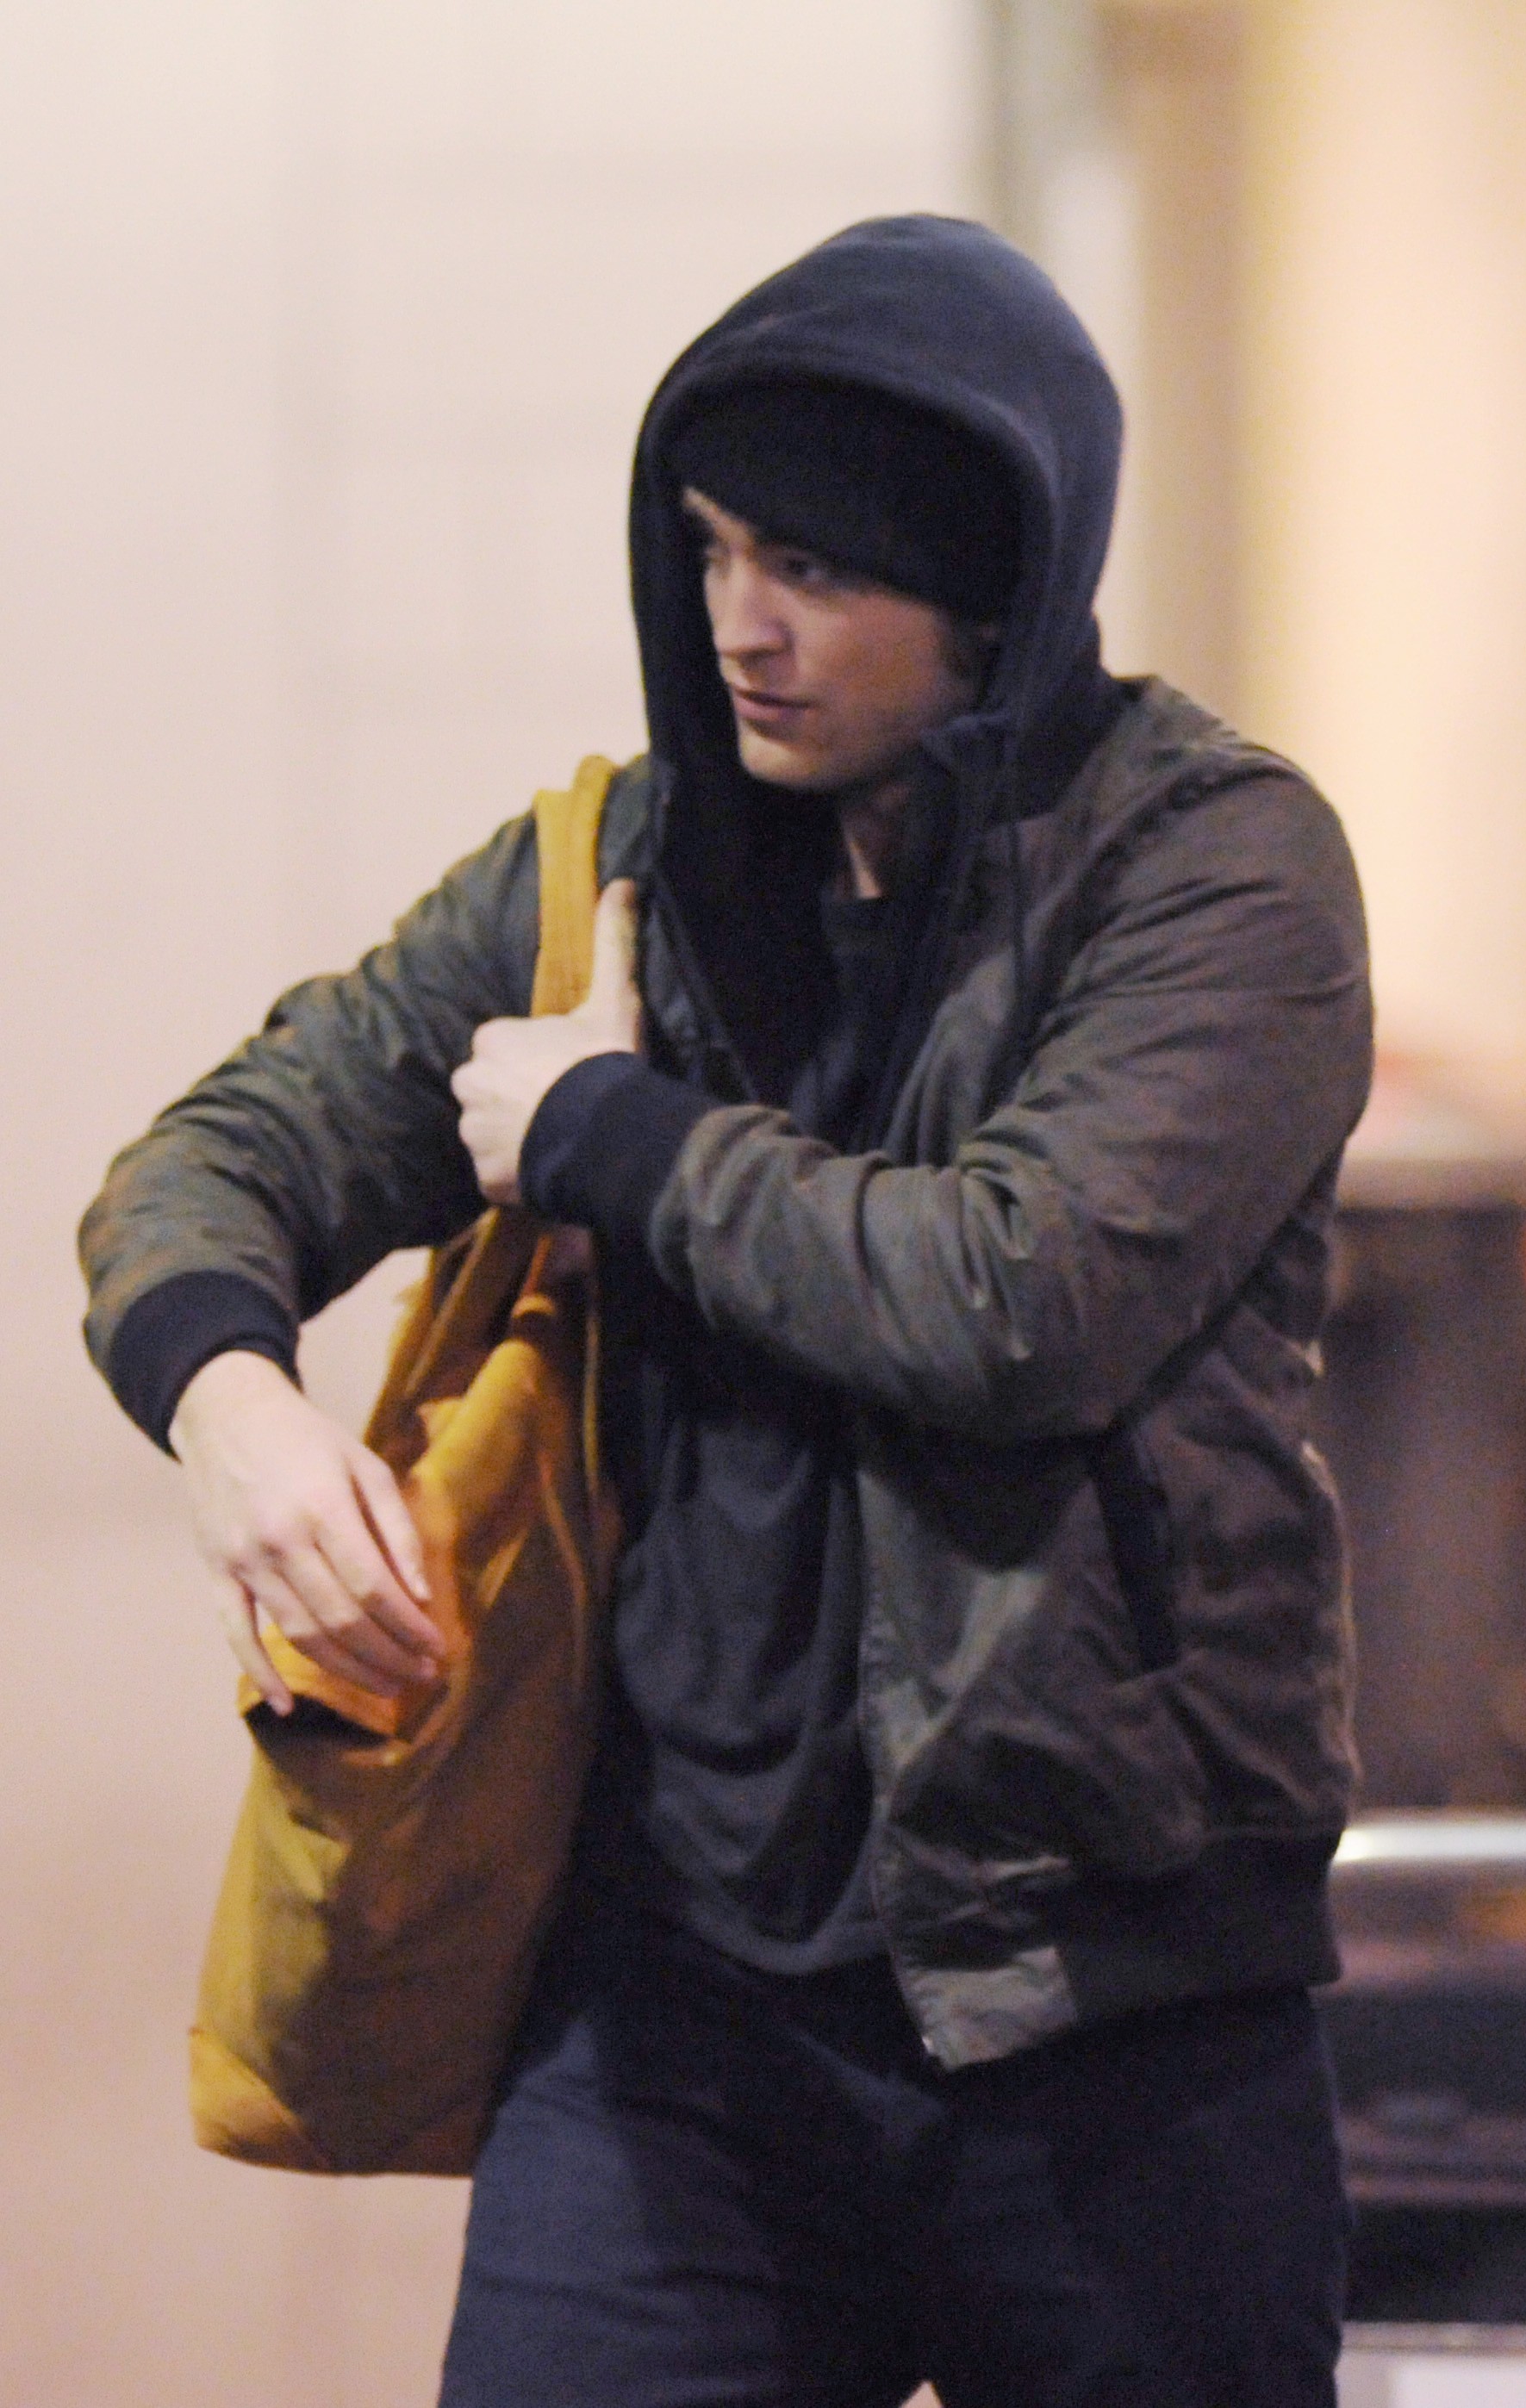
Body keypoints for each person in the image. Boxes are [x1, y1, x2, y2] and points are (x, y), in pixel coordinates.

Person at [81, 215, 1372, 2406]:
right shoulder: (617, 870)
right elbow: (217, 1157)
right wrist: (233, 1415)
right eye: (709, 550)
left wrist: (613, 1137)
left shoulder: (1213, 867)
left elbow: (1012, 1297)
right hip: (678, 2021)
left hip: (1114, 2018)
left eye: (817, 570)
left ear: (993, 587)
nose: (737, 627)